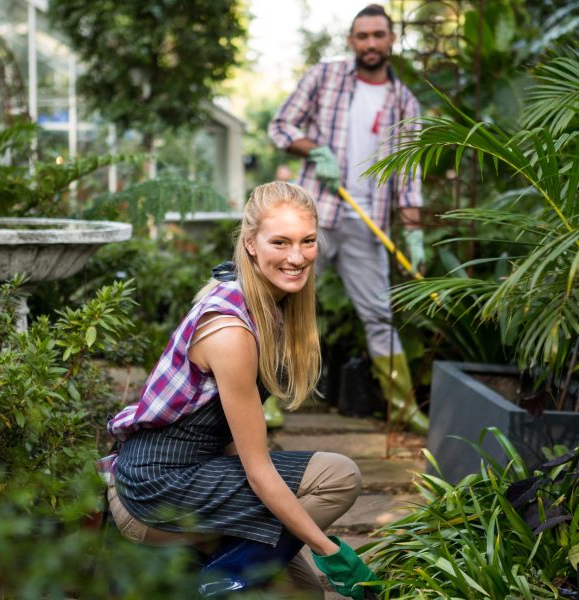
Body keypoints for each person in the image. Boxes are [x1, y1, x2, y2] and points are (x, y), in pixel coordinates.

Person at [98, 181, 381, 599]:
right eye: (280, 242)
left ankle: (221, 573)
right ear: (250, 244)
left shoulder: (266, 306)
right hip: (157, 491)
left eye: (307, 241)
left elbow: (226, 438)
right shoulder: (230, 330)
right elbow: (257, 468)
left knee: (302, 594)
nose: (297, 257)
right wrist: (329, 551)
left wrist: (244, 517)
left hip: (193, 479)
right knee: (337, 476)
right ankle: (207, 587)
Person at [268, 4, 428, 435]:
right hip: (312, 214)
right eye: (363, 36)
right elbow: (280, 125)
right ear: (351, 41)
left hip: (366, 220)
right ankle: (265, 399)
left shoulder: (404, 102)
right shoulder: (325, 78)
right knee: (281, 303)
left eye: (379, 35)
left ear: (392, 40)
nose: (371, 43)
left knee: (379, 314)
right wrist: (312, 150)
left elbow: (409, 174)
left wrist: (414, 234)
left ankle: (402, 407)